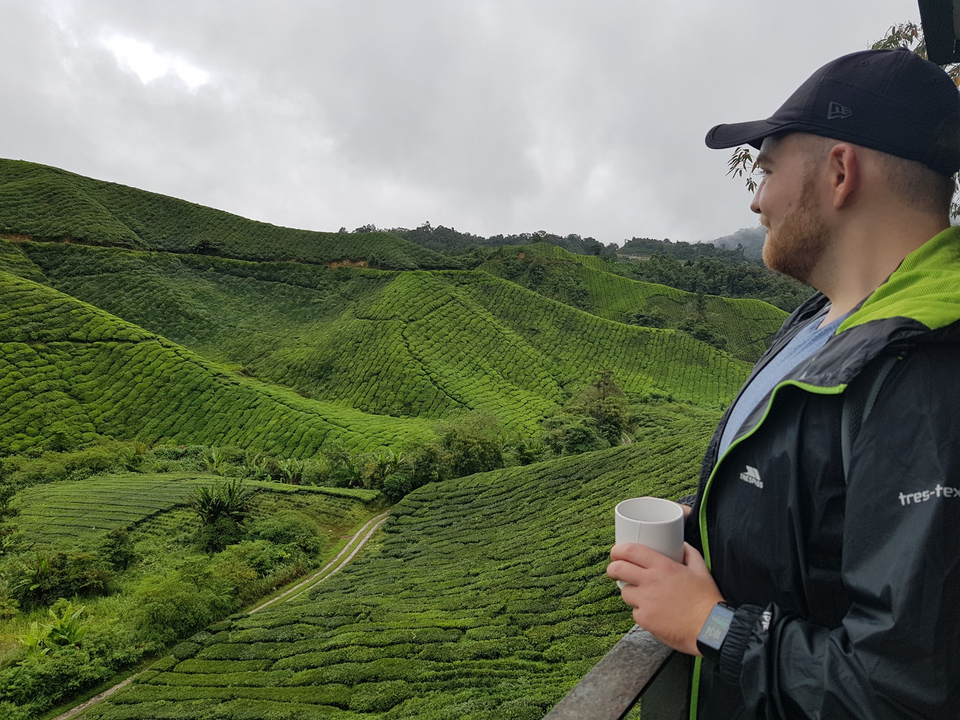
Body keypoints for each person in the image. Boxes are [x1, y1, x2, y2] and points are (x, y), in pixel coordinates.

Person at [606, 48, 960, 719]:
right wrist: (708, 518)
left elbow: (901, 693)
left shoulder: (926, 373)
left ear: (839, 170)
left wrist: (709, 625)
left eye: (767, 169)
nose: (755, 196)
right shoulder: (821, 321)